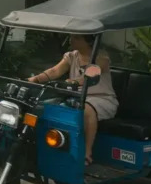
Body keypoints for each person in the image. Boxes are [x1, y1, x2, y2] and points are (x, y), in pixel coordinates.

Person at [27, 34, 117, 165]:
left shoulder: (101, 58)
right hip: (77, 97)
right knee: (45, 107)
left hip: (101, 99)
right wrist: (35, 79)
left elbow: (90, 76)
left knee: (86, 110)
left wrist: (74, 81)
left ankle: (86, 153)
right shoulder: (71, 56)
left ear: (88, 41)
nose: (71, 40)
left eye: (77, 38)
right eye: (72, 37)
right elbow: (54, 71)